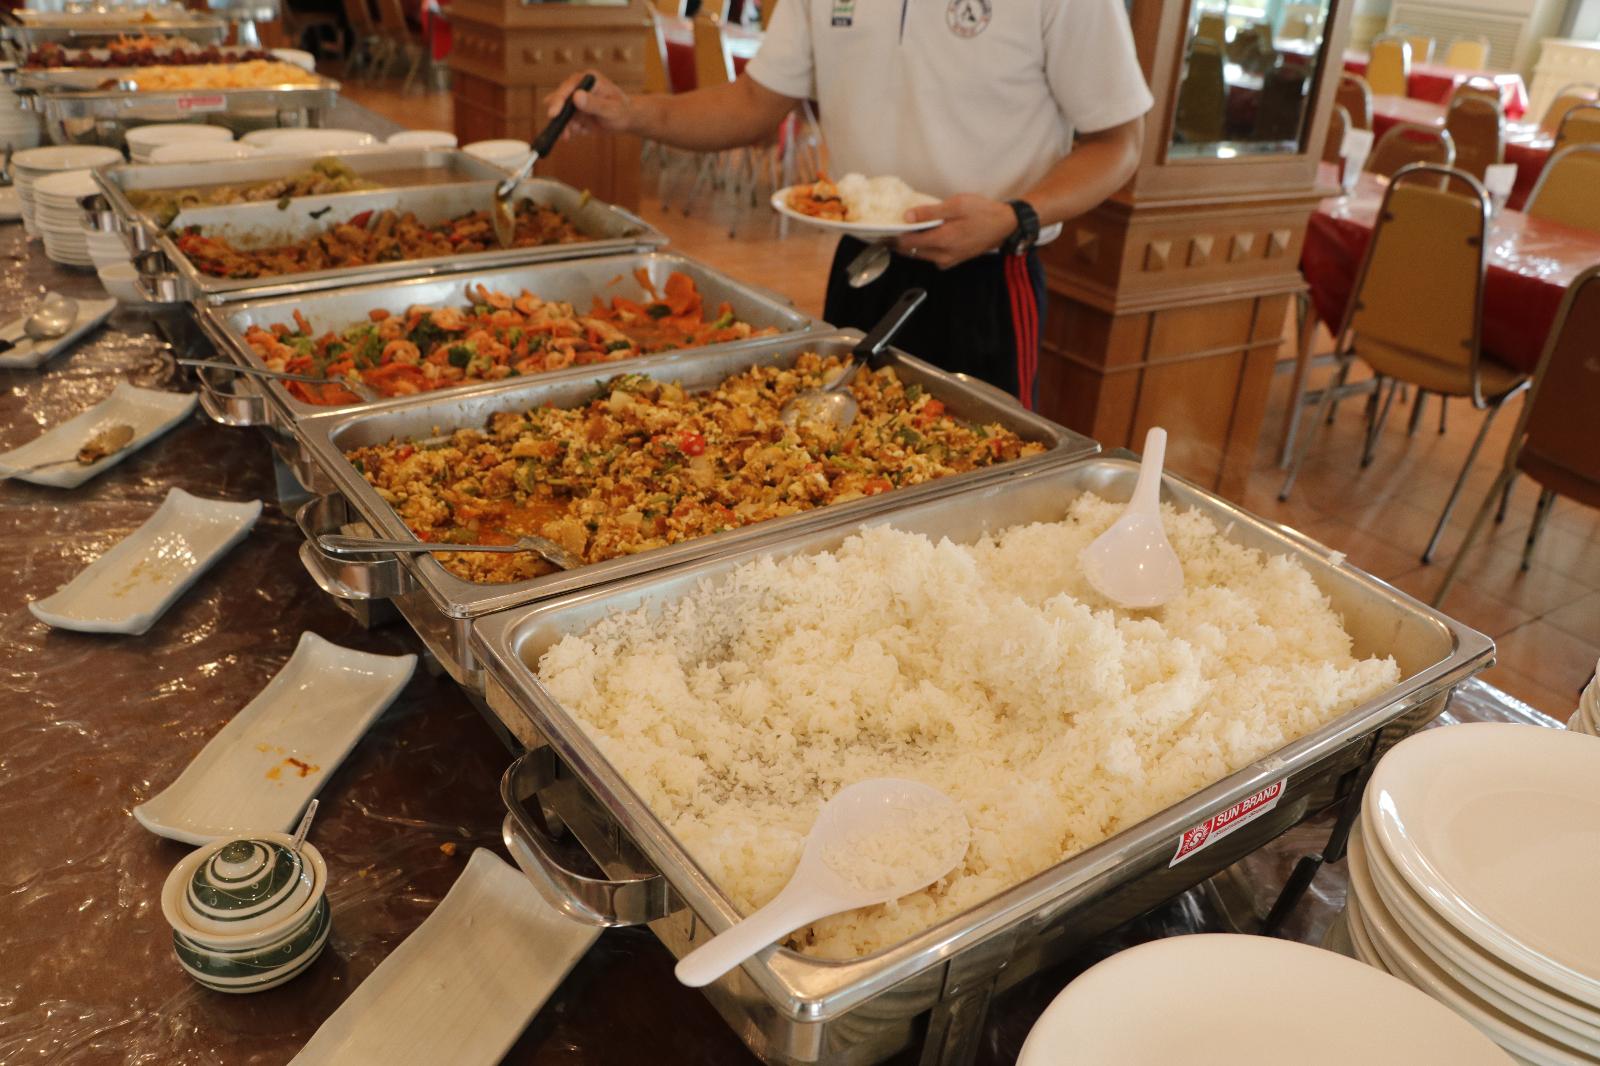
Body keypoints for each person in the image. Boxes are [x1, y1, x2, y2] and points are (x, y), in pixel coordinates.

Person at [544, 0, 1151, 408]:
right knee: (839, 458)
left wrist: (1016, 216)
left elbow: (1119, 142)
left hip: (985, 278)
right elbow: (754, 103)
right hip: (863, 264)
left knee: (983, 478)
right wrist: (631, 112)